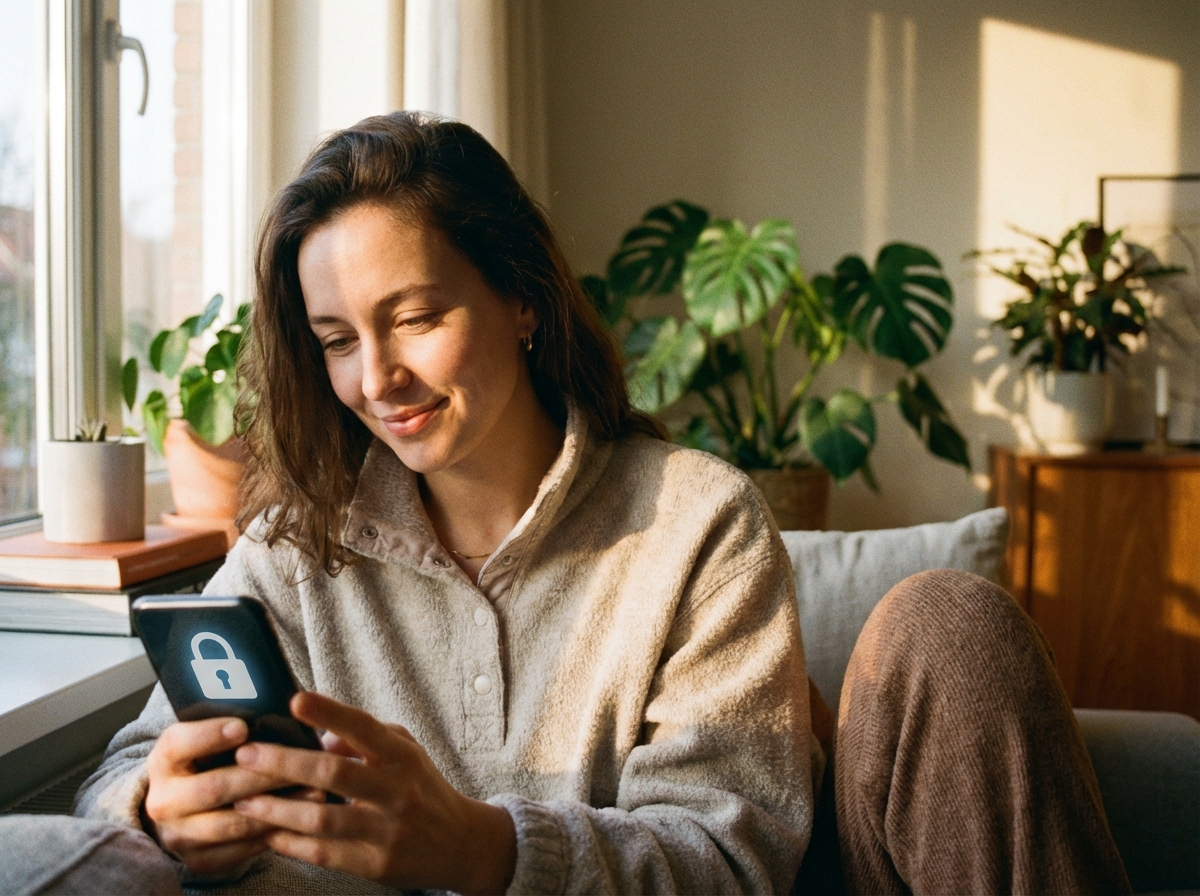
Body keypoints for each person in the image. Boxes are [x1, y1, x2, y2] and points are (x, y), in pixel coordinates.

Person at [67, 111, 1129, 895]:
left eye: (418, 316)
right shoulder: (295, 550)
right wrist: (159, 807)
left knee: (949, 618)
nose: (377, 375)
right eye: (339, 340)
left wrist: (480, 845)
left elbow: (731, 853)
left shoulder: (695, 524)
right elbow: (116, 774)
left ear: (521, 298)